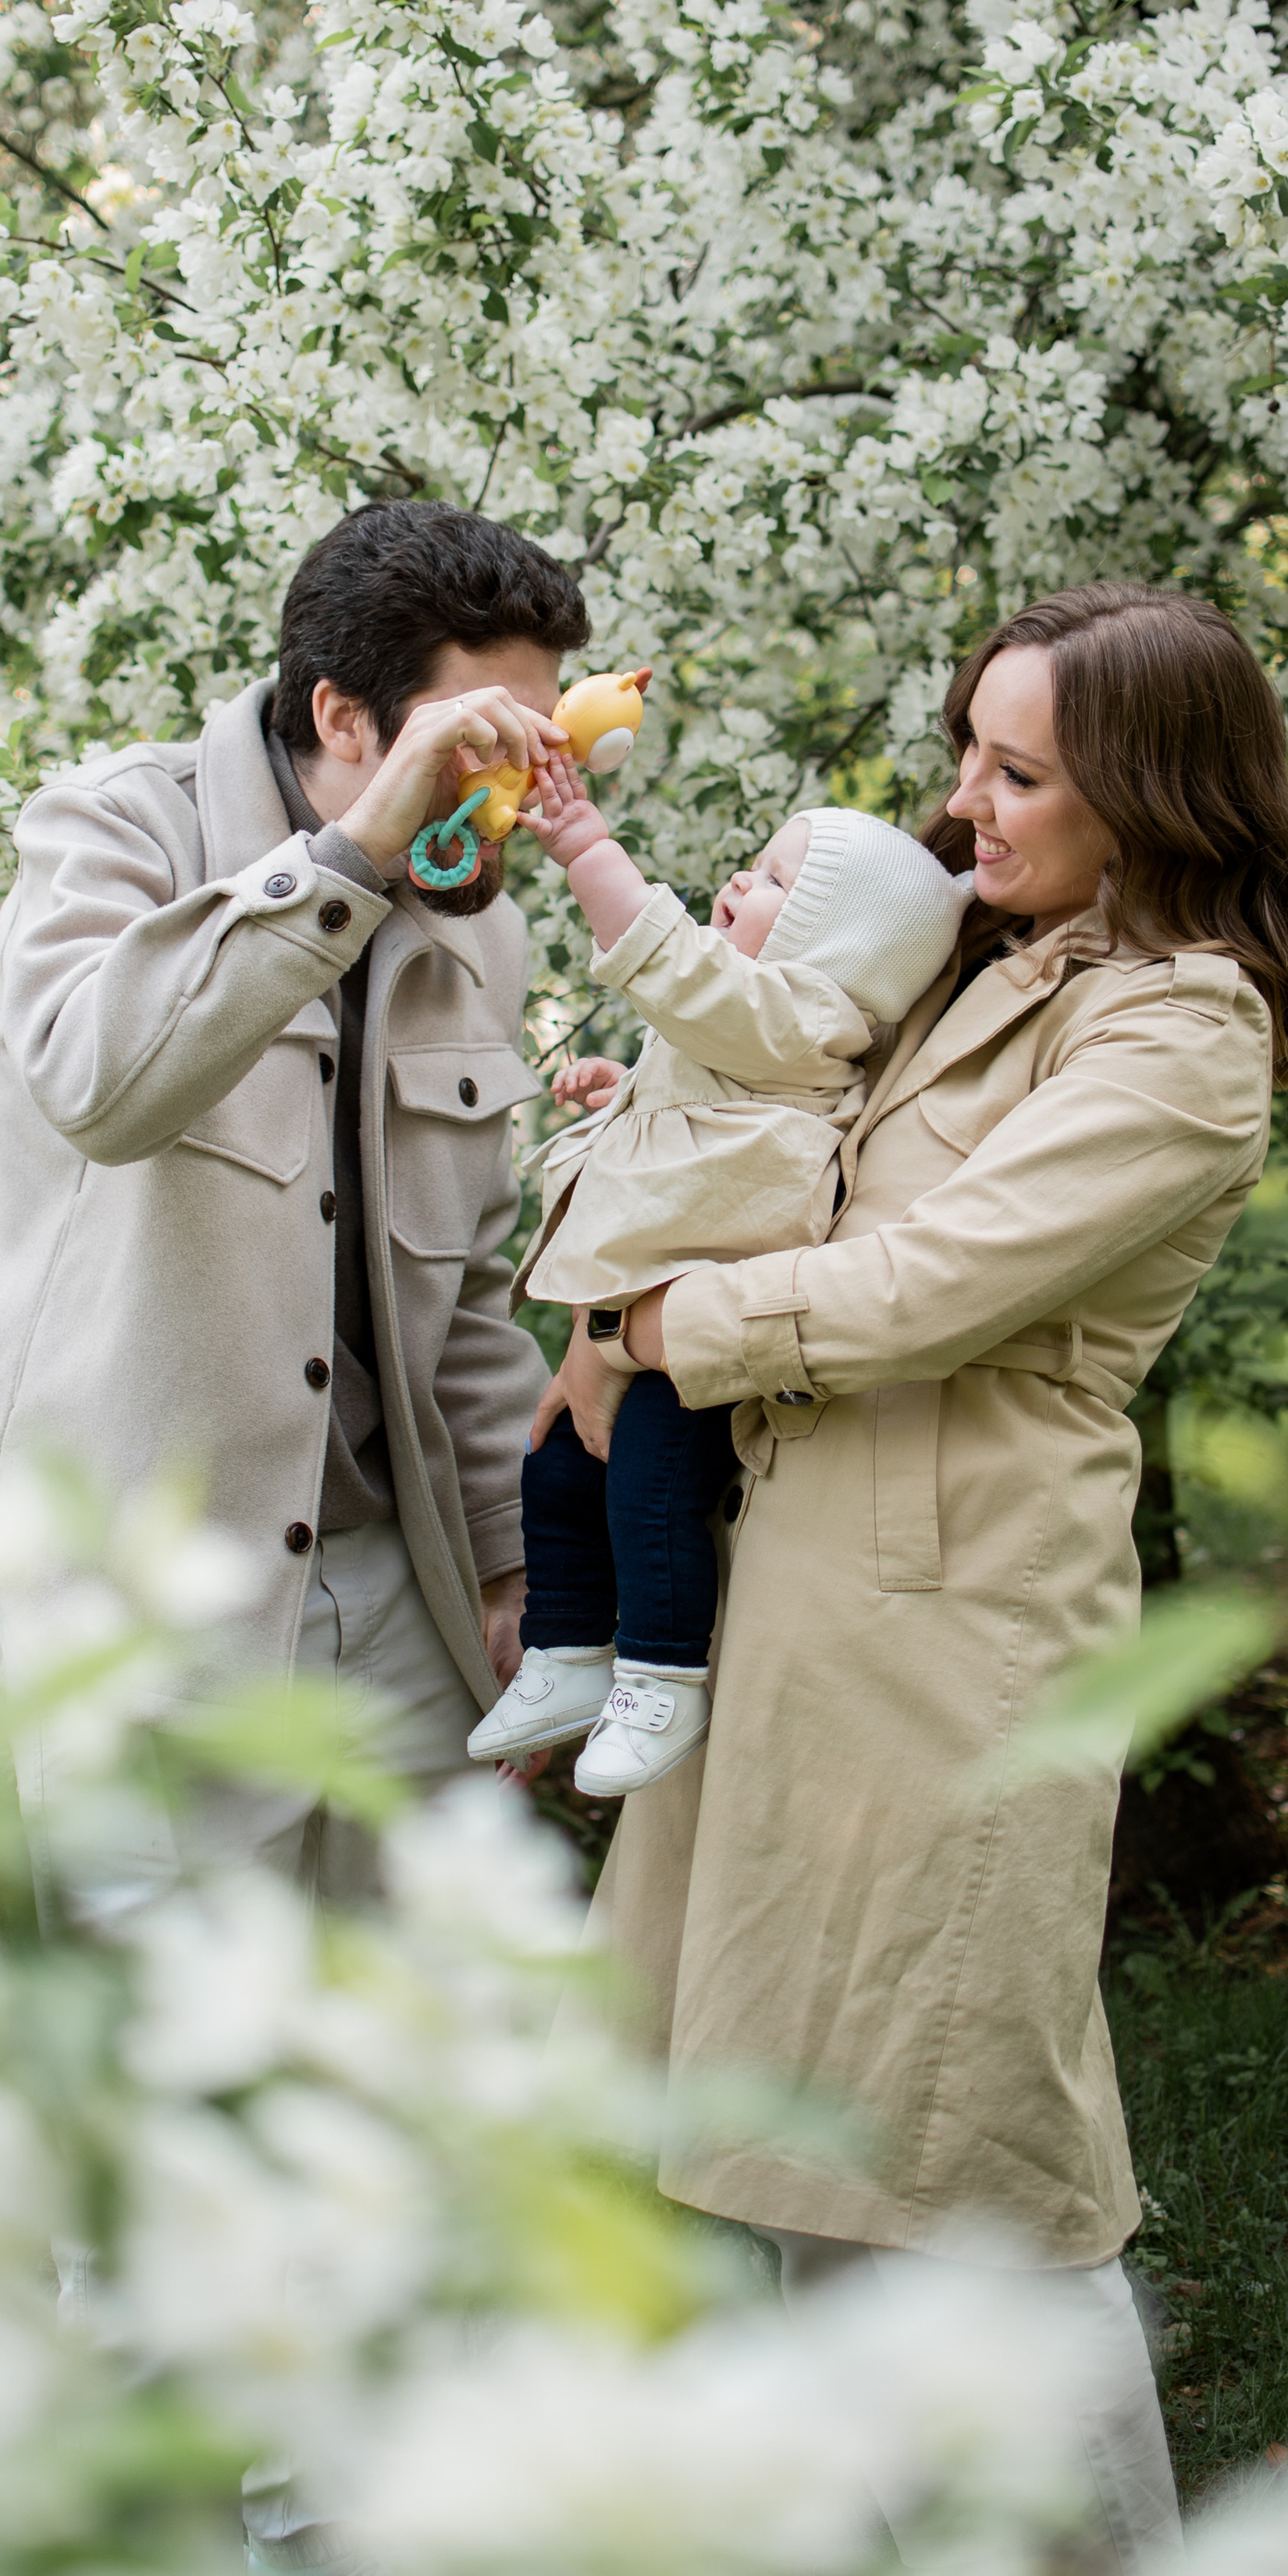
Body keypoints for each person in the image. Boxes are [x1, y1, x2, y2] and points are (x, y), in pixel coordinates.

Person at [536, 582, 1288, 2559]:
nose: (966, 802)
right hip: (788, 1602)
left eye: (1019, 772)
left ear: (1153, 800)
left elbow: (930, 1285)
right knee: (773, 2134)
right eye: (969, 751)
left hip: (947, 1636)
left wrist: (663, 1326)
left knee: (959, 2163)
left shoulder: (1177, 1035)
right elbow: (797, 1124)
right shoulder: (974, 957)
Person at [0, 499, 591, 1910]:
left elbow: (465, 1285)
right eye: (483, 746)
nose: (522, 795)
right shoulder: (114, 829)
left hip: (404, 1600)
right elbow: (105, 1086)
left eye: (547, 744)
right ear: (349, 718)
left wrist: (507, 1557)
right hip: (141, 1605)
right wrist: (348, 862)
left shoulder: (487, 934)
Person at [468, 757, 966, 1796]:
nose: (742, 880)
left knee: (652, 1489)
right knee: (556, 1462)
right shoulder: (755, 1033)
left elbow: (678, 972)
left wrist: (586, 850)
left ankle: (661, 1675)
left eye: (778, 881)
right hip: (651, 1302)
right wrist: (622, 1092)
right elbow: (704, 1119)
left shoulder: (808, 1017)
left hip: (707, 1319)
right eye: (756, 862)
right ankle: (566, 1653)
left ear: (842, 945)